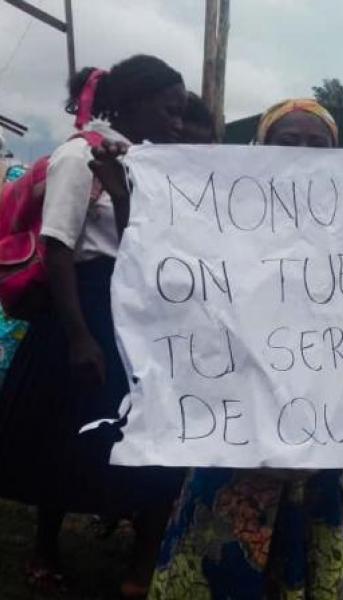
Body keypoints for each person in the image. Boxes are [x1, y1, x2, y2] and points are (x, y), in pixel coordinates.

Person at [147, 100, 343, 600]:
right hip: (239, 415)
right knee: (225, 548)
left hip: (326, 417)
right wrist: (129, 197)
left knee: (314, 536)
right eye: (288, 142)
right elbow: (172, 280)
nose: (303, 154)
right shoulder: (220, 219)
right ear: (261, 149)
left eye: (317, 144)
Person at [0, 55, 187, 597]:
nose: (177, 122)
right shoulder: (78, 156)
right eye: (169, 111)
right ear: (131, 102)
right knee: (63, 432)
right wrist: (79, 336)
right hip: (81, 309)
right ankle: (45, 547)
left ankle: (140, 554)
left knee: (134, 431)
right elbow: (59, 245)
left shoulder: (146, 163)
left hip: (131, 306)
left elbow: (141, 242)